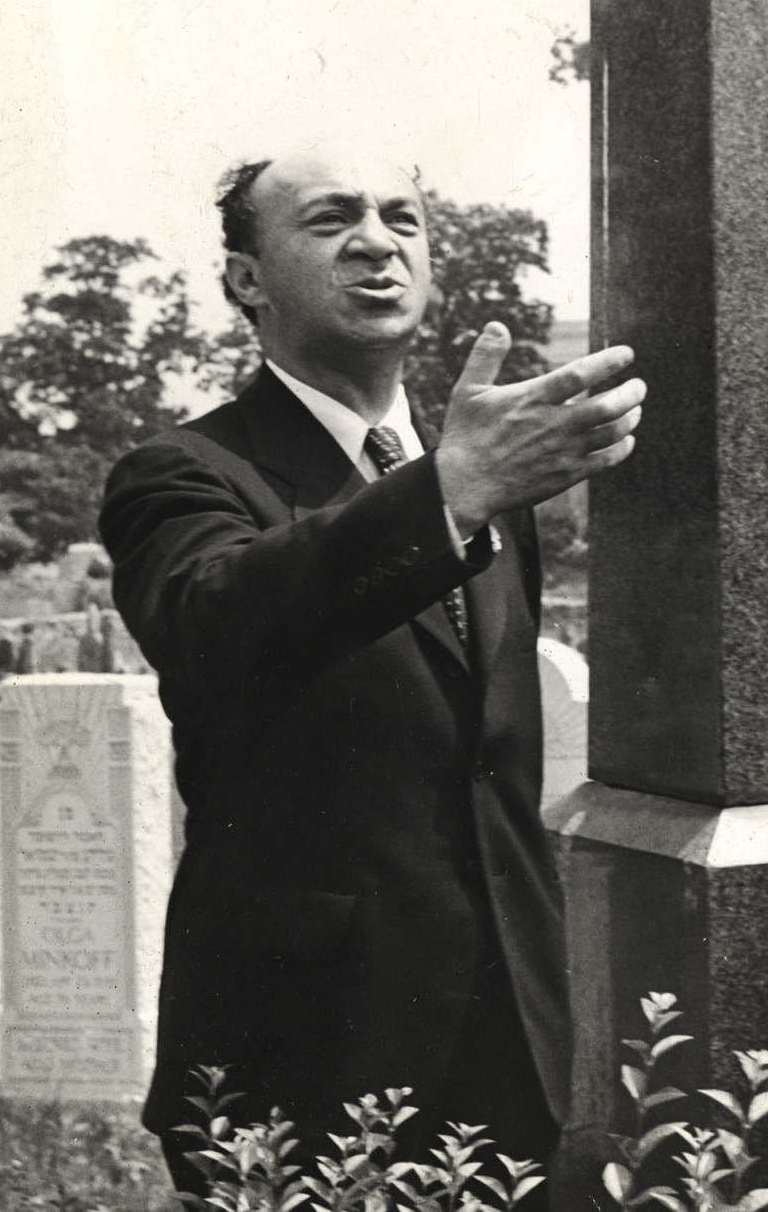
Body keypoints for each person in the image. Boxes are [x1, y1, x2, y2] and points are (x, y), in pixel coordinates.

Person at [98, 148, 644, 1199]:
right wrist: (445, 495)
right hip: (304, 1059)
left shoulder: (486, 480)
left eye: (402, 217)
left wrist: (460, 487)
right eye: (330, 218)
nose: (376, 241)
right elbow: (216, 622)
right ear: (247, 278)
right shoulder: (184, 473)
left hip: (511, 1050)